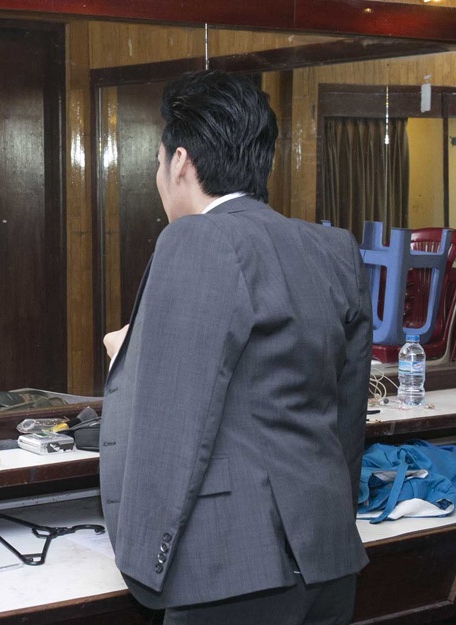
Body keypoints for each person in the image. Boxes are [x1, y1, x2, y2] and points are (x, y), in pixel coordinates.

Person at [99, 71, 372, 625]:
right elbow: (348, 411)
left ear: (180, 162)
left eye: (157, 162)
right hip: (328, 553)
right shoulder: (332, 247)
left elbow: (172, 422)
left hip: (230, 568)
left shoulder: (195, 236)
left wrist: (144, 563)